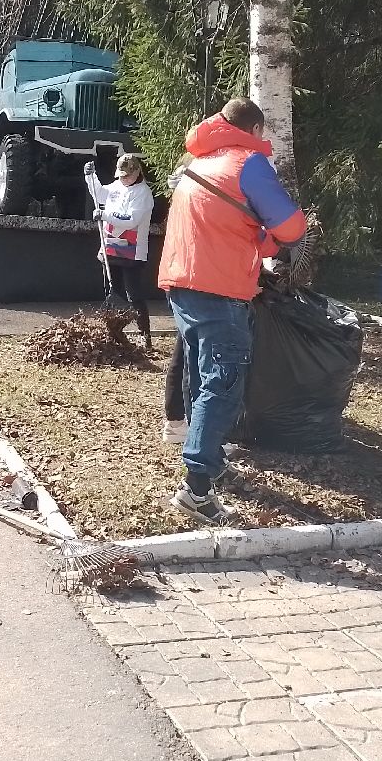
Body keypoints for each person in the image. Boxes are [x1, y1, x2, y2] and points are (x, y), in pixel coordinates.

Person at [159, 97, 307, 524]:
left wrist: (263, 242)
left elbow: (223, 227)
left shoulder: (198, 164)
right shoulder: (248, 163)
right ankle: (197, 489)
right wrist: (277, 237)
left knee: (198, 373)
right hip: (220, 289)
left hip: (183, 282)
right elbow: (291, 227)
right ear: (255, 130)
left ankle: (204, 457)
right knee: (221, 383)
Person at [84, 152, 156, 350]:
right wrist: (90, 177)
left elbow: (131, 220)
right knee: (113, 292)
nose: (123, 179)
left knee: (134, 295)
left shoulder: (143, 194)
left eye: (127, 175)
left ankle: (145, 336)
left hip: (133, 252)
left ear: (137, 172)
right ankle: (112, 333)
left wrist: (105, 214)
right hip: (110, 248)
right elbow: (99, 193)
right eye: (121, 175)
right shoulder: (116, 187)